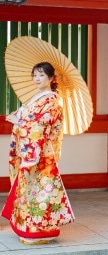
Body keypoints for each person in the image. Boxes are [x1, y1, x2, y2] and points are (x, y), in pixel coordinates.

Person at [1, 62, 74, 245]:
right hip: (33, 151)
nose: (37, 79)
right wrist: (18, 118)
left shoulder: (52, 102)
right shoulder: (37, 99)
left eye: (41, 75)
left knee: (40, 193)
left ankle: (39, 231)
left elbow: (38, 126)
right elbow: (27, 118)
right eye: (34, 75)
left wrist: (19, 123)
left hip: (41, 154)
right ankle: (29, 227)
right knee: (29, 192)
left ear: (51, 78)